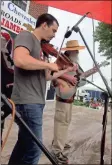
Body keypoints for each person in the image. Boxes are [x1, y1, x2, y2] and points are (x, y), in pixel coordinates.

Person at [8, 14, 76, 165]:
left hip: (36, 102)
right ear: (44, 25)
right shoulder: (27, 36)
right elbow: (20, 59)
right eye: (53, 30)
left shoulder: (41, 47)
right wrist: (49, 64)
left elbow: (45, 76)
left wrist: (64, 70)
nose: (54, 35)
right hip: (27, 101)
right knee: (35, 149)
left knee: (23, 145)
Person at [52, 40, 86, 164]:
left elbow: (81, 79)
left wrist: (80, 79)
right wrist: (66, 79)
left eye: (78, 50)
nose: (77, 52)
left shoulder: (75, 62)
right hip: (62, 96)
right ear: (70, 50)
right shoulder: (61, 61)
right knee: (61, 122)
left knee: (65, 121)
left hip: (70, 97)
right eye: (76, 50)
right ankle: (56, 151)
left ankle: (59, 142)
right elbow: (52, 74)